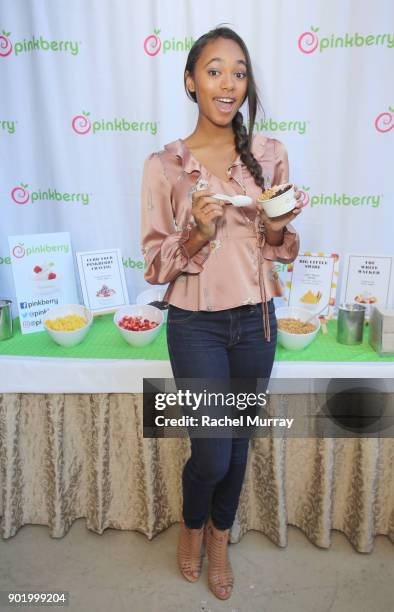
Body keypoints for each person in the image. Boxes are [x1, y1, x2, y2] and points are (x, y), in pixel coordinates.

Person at [140, 26, 302, 601]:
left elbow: (284, 249)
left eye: (238, 71)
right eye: (214, 70)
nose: (228, 81)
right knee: (210, 449)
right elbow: (156, 266)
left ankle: (218, 537)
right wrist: (196, 233)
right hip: (196, 325)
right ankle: (191, 524)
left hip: (256, 322)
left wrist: (278, 227)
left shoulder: (270, 155)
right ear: (191, 82)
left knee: (238, 444)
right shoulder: (165, 165)